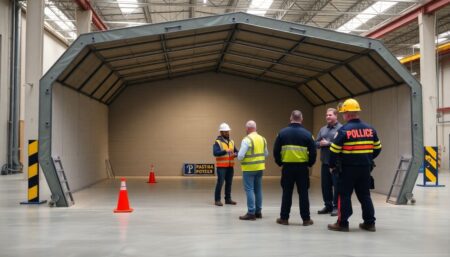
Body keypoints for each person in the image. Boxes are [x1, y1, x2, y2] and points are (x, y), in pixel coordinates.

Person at [327, 99, 382, 232]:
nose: (343, 116)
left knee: (344, 195)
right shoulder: (370, 129)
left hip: (347, 169)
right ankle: (369, 223)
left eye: (343, 113)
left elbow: (334, 150)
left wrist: (332, 165)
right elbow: (378, 148)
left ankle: (342, 223)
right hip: (365, 169)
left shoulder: (344, 130)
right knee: (365, 195)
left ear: (347, 113)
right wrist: (367, 158)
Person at [273, 110, 316, 226]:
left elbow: (276, 151)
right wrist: (309, 164)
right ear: (301, 119)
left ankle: (284, 218)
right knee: (303, 193)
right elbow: (313, 152)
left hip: (287, 167)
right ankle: (306, 219)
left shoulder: (282, 133)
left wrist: (280, 163)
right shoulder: (308, 134)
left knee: (287, 193)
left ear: (290, 118)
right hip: (302, 168)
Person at [237, 120, 268, 220]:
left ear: (248, 128)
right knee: (258, 190)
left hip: (249, 169)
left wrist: (238, 155)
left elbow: (240, 156)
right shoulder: (263, 139)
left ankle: (251, 212)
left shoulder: (247, 139)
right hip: (260, 168)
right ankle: (258, 212)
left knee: (249, 189)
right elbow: (266, 154)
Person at [316, 108, 342, 216]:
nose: (327, 117)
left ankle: (336, 207)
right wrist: (320, 144)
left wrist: (329, 143)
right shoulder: (322, 129)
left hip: (337, 163)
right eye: (326, 115)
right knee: (325, 186)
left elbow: (342, 145)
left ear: (336, 116)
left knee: (337, 186)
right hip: (325, 163)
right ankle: (328, 205)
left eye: (330, 115)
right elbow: (315, 143)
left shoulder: (341, 129)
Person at [213, 123, 238, 206]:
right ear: (221, 132)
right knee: (220, 183)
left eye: (228, 131)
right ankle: (217, 200)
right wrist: (225, 151)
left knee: (229, 183)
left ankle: (228, 199)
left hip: (230, 166)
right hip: (221, 167)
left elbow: (236, 151)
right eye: (225, 131)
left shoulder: (231, 141)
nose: (227, 133)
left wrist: (236, 154)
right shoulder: (217, 142)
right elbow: (215, 153)